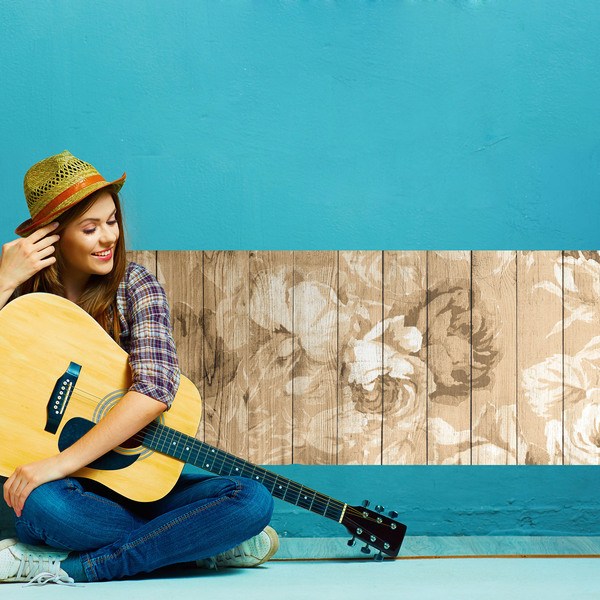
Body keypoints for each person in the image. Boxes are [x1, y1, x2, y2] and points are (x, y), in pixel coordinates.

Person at [0, 150, 278, 585]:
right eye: (90, 228)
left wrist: (60, 462)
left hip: (137, 491)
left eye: (111, 221)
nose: (107, 237)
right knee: (40, 505)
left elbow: (154, 391)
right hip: (65, 495)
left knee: (252, 500)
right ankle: (198, 545)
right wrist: (3, 280)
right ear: (49, 236)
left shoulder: (135, 285)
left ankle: (81, 566)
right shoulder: (16, 296)